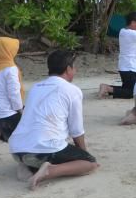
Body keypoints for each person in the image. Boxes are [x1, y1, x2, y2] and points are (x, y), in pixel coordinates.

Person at [9, 50, 99, 190]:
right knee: (90, 163)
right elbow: (76, 130)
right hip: (43, 147)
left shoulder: (36, 87)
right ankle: (49, 171)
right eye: (74, 67)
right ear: (68, 69)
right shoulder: (71, 90)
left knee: (51, 144)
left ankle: (27, 166)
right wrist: (85, 155)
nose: (75, 70)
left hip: (16, 149)